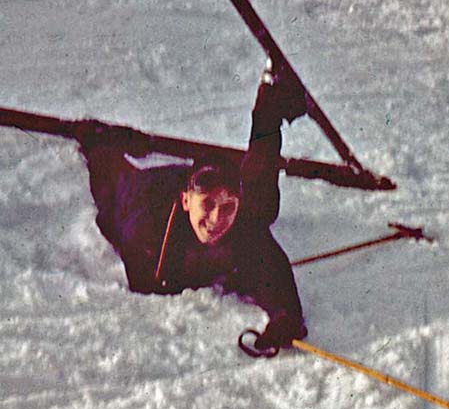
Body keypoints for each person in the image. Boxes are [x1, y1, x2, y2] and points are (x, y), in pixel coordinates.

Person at [76, 62, 309, 355]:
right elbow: (126, 247)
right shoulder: (146, 226)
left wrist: (284, 318)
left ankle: (269, 103)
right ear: (186, 201)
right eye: (208, 205)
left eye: (227, 207)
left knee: (264, 205)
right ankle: (99, 141)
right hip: (147, 192)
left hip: (205, 187)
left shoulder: (242, 216)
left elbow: (272, 270)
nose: (216, 218)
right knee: (112, 182)